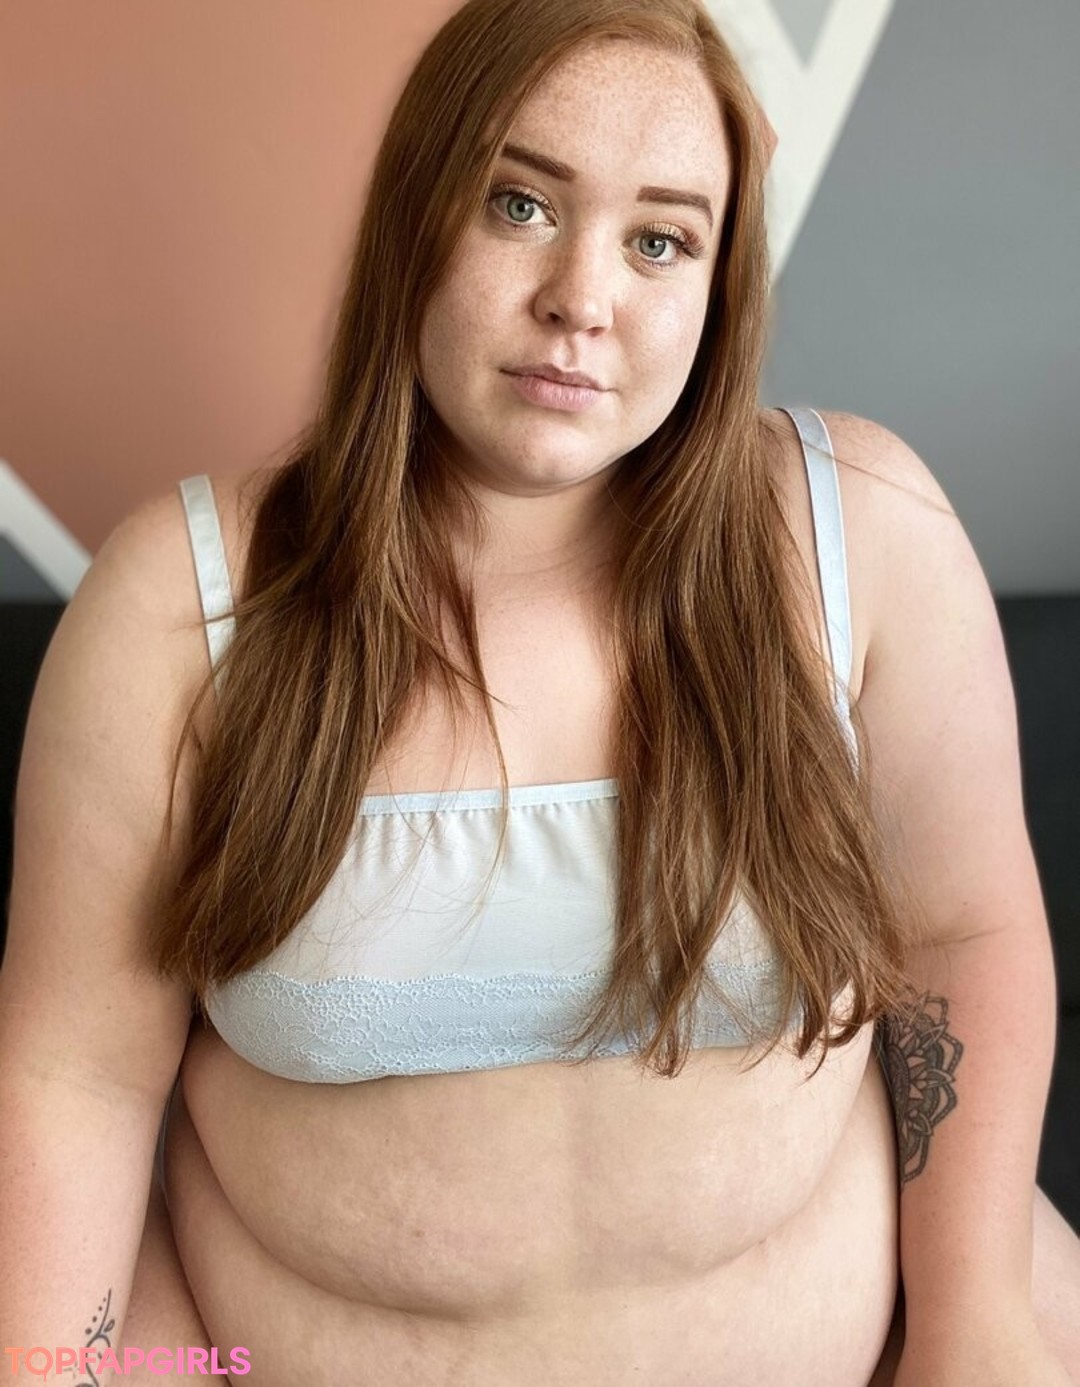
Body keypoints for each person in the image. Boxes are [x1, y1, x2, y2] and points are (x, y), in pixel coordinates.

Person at [2, 0, 1078, 1383]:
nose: (583, 297)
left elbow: (962, 936)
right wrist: (77, 1373)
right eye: (520, 205)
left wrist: (974, 1322)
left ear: (718, 287)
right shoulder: (176, 608)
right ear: (415, 215)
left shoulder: (860, 531)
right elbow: (77, 1077)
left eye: (659, 241)